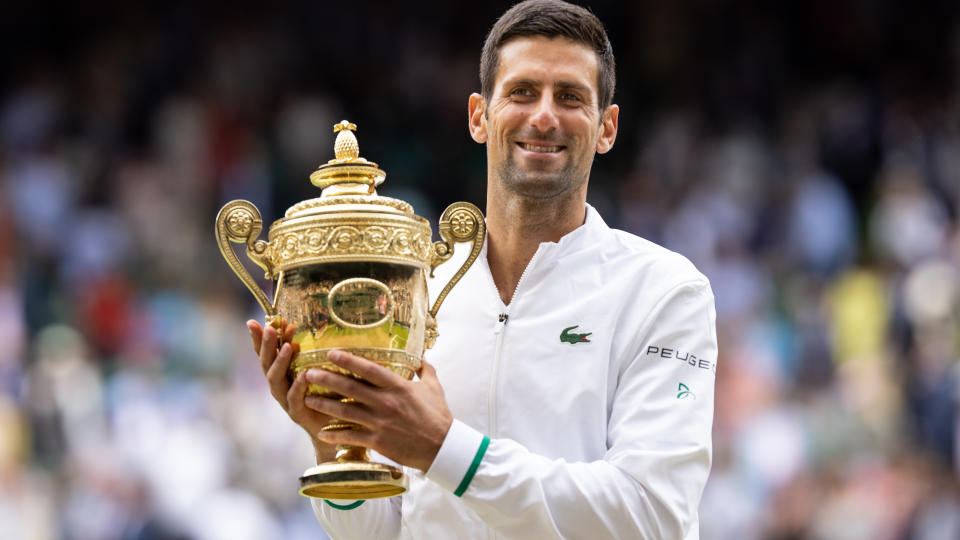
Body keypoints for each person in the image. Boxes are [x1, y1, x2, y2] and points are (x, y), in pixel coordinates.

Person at [247, 1, 717, 538]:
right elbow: (390, 530)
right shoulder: (417, 287)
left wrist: (446, 449)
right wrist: (335, 447)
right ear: (479, 116)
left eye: (570, 97)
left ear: (607, 127)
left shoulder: (664, 291)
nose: (544, 116)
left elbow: (654, 517)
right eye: (522, 92)